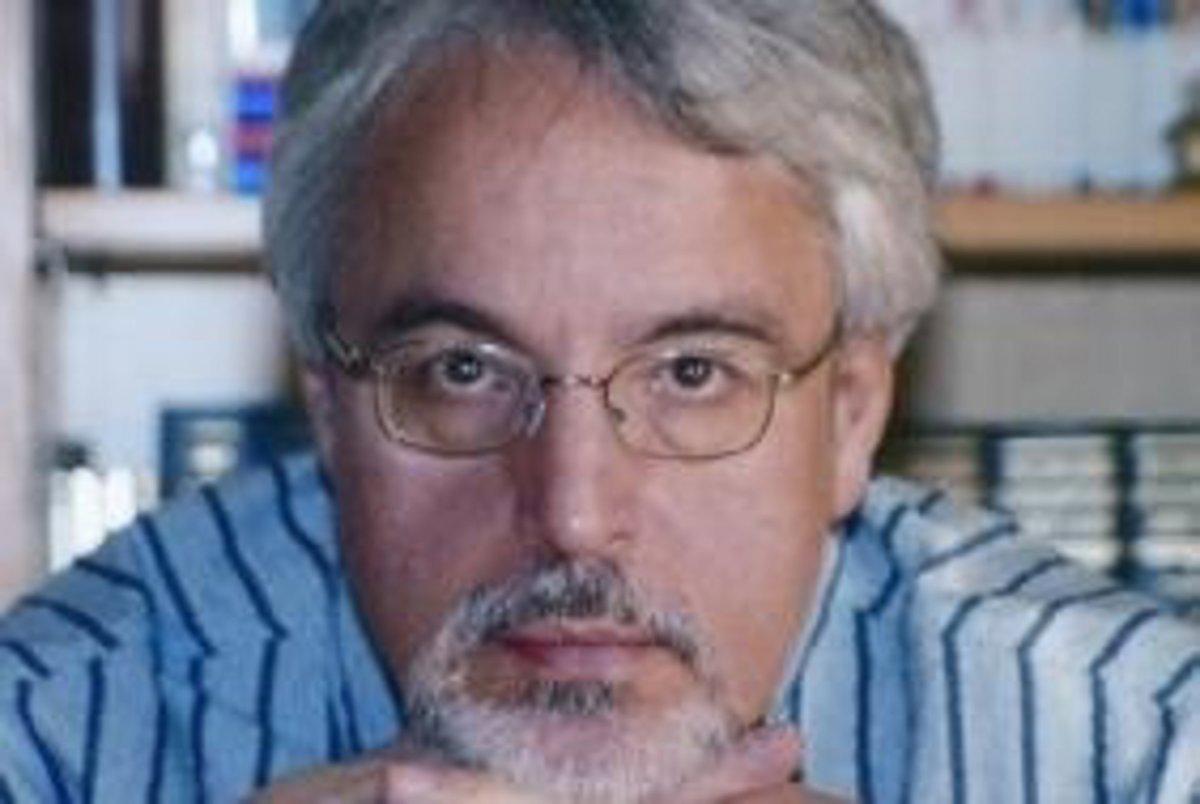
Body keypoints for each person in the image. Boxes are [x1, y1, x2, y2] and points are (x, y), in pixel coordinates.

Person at [2, 1, 1197, 801]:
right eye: (463, 370)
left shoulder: (1143, 748)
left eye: (692, 374)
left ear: (849, 415)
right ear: (326, 407)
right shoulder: (48, 737)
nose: (574, 515)